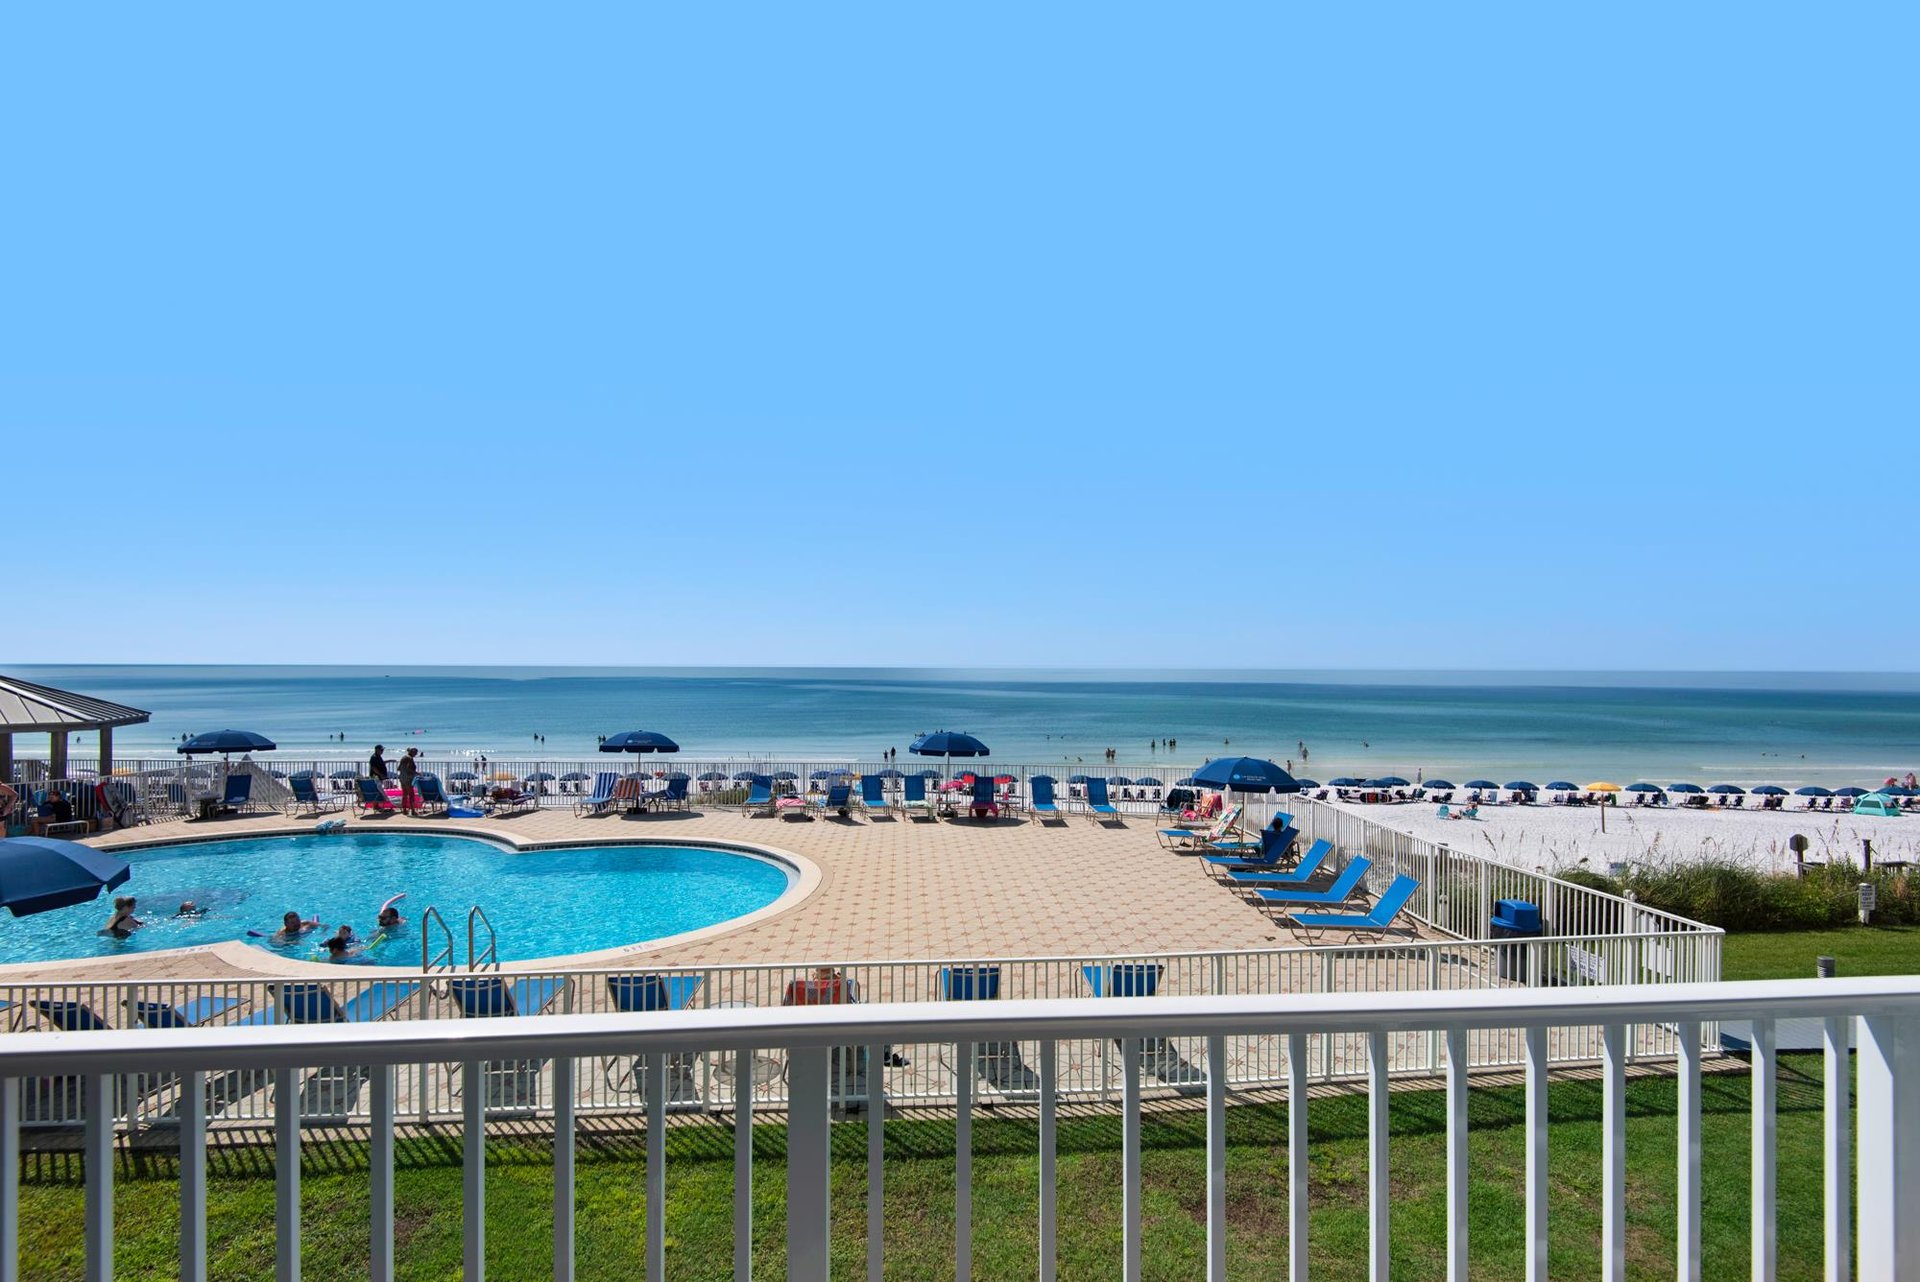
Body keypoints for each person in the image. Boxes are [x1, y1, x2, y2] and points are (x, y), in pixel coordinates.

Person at [398, 748, 420, 816]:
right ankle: (413, 811)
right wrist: (416, 773)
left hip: (402, 778)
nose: (416, 754)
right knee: (411, 795)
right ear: (412, 752)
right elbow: (409, 769)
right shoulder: (410, 758)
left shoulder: (403, 758)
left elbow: (398, 768)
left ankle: (404, 810)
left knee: (404, 795)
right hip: (408, 779)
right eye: (415, 752)